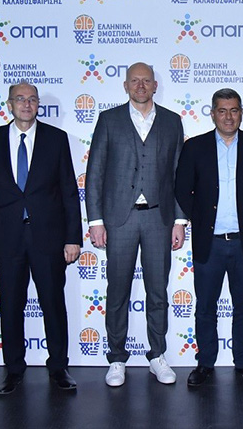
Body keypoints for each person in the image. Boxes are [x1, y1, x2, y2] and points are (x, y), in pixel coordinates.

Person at [84, 62, 186, 387]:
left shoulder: (172, 121)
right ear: (125, 86)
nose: (140, 86)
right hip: (119, 219)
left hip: (159, 218)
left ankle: (157, 355)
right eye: (134, 81)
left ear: (155, 85)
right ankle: (116, 357)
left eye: (146, 81)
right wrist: (96, 220)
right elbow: (95, 173)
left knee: (158, 291)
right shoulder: (109, 120)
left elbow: (179, 175)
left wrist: (180, 220)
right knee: (117, 291)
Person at [0, 81, 81, 394]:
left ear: (38, 105)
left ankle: (59, 367)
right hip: (6, 238)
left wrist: (73, 237)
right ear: (9, 104)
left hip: (48, 237)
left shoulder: (56, 139)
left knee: (53, 303)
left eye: (32, 99)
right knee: (10, 305)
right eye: (20, 99)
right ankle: (13, 370)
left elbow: (69, 191)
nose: (26, 104)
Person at [176, 88, 243, 387]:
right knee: (206, 307)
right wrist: (198, 216)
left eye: (234, 110)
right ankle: (205, 363)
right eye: (222, 110)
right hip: (210, 242)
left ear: (241, 113)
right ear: (212, 113)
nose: (228, 117)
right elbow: (181, 188)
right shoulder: (195, 147)